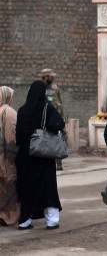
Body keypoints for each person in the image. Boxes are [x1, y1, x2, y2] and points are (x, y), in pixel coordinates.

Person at [15, 81, 65, 230]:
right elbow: (58, 124)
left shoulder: (22, 110)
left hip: (25, 156)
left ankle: (25, 221)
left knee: (26, 187)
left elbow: (18, 133)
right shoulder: (47, 108)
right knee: (47, 187)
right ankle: (51, 221)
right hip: (43, 154)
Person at [0, 86, 20, 226]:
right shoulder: (11, 112)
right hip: (9, 155)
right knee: (10, 185)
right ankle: (10, 218)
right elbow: (14, 135)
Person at [40, 69, 65, 171]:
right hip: (44, 119)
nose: (53, 78)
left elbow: (60, 103)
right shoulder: (39, 88)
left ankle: (59, 162)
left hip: (55, 119)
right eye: (51, 76)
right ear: (45, 77)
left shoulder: (55, 88)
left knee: (58, 139)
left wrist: (61, 118)